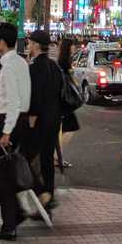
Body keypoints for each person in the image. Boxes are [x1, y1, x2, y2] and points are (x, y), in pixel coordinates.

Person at [0, 21, 31, 241]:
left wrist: (6, 132)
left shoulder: (9, 66)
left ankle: (9, 226)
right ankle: (16, 214)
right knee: (7, 173)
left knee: (1, 175)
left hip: (10, 121)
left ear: (1, 42)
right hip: (19, 120)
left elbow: (12, 101)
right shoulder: (21, 62)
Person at [27, 29, 64, 210]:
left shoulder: (34, 68)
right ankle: (49, 193)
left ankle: (43, 192)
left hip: (40, 119)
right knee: (47, 158)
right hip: (54, 118)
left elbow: (35, 96)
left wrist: (32, 117)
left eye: (29, 43)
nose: (28, 46)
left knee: (25, 158)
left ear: (35, 45)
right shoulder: (54, 66)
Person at [56, 37, 79, 167]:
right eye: (73, 46)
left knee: (64, 129)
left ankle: (57, 155)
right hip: (65, 102)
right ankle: (56, 155)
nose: (74, 48)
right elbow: (70, 81)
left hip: (62, 101)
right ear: (68, 47)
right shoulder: (64, 63)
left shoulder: (62, 61)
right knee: (70, 128)